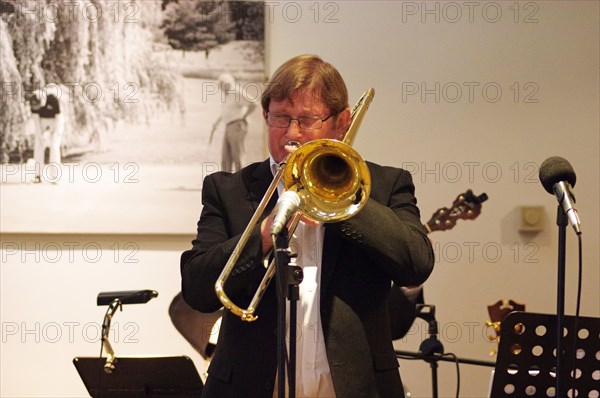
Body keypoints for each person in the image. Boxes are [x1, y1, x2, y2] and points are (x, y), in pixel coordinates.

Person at [180, 55, 435, 398]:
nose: (291, 133)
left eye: (307, 119)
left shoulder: (385, 184)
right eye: (280, 118)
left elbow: (416, 264)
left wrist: (343, 202)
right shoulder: (228, 189)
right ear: (265, 116)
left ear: (341, 121)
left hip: (355, 388)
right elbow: (197, 288)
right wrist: (265, 233)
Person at [209, 73, 256, 172]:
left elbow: (253, 103)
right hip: (229, 126)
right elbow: (227, 111)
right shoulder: (228, 94)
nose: (220, 88)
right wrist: (216, 123)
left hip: (237, 125)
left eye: (221, 85)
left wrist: (243, 116)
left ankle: (241, 182)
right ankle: (227, 182)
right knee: (226, 156)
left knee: (237, 155)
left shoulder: (236, 92)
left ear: (227, 84)